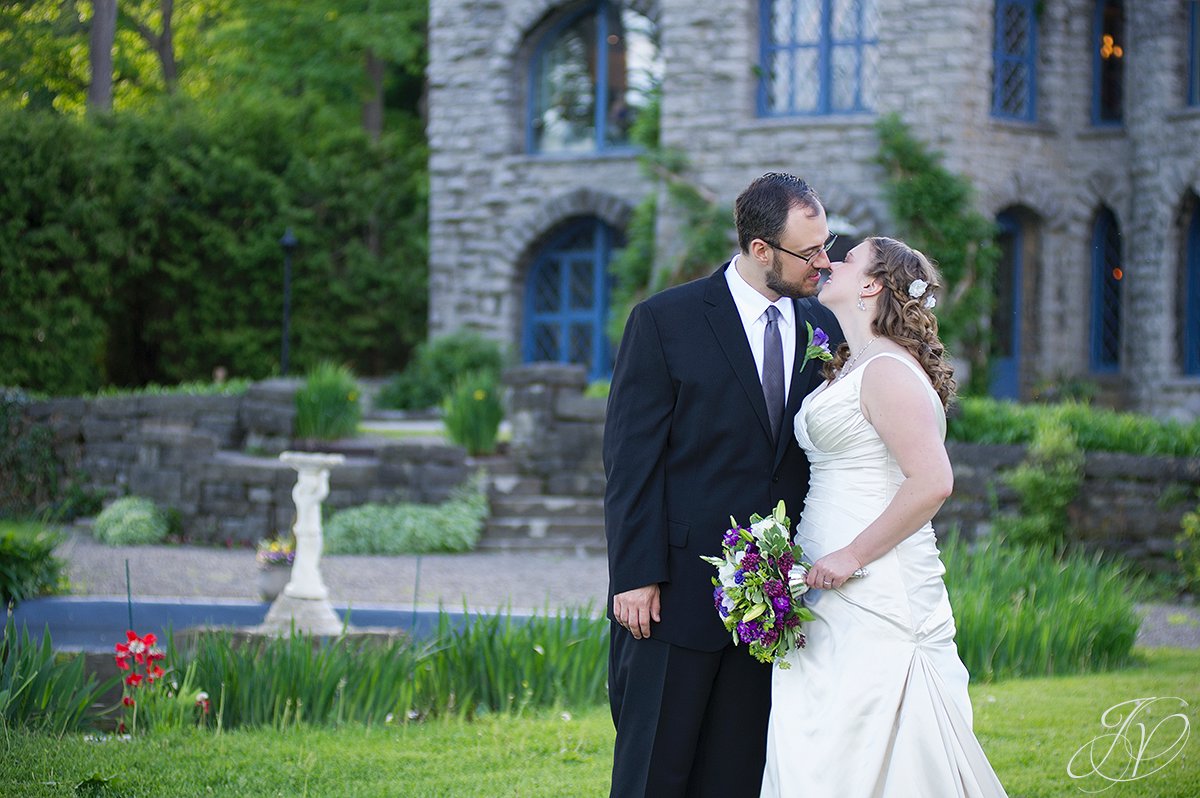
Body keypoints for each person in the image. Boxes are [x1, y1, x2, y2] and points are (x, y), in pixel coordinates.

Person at [604, 172, 844, 797]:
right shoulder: (665, 320)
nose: (825, 262)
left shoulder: (825, 326)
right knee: (655, 768)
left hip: (776, 600)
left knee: (739, 774)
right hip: (674, 590)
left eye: (827, 244)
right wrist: (634, 572)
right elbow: (631, 462)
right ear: (760, 249)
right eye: (809, 251)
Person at [761, 236, 1007, 797]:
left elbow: (933, 481)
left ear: (871, 285)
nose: (829, 262)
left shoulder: (890, 372)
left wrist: (850, 555)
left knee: (871, 737)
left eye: (846, 259)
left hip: (875, 584)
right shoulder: (854, 365)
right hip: (822, 583)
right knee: (822, 741)